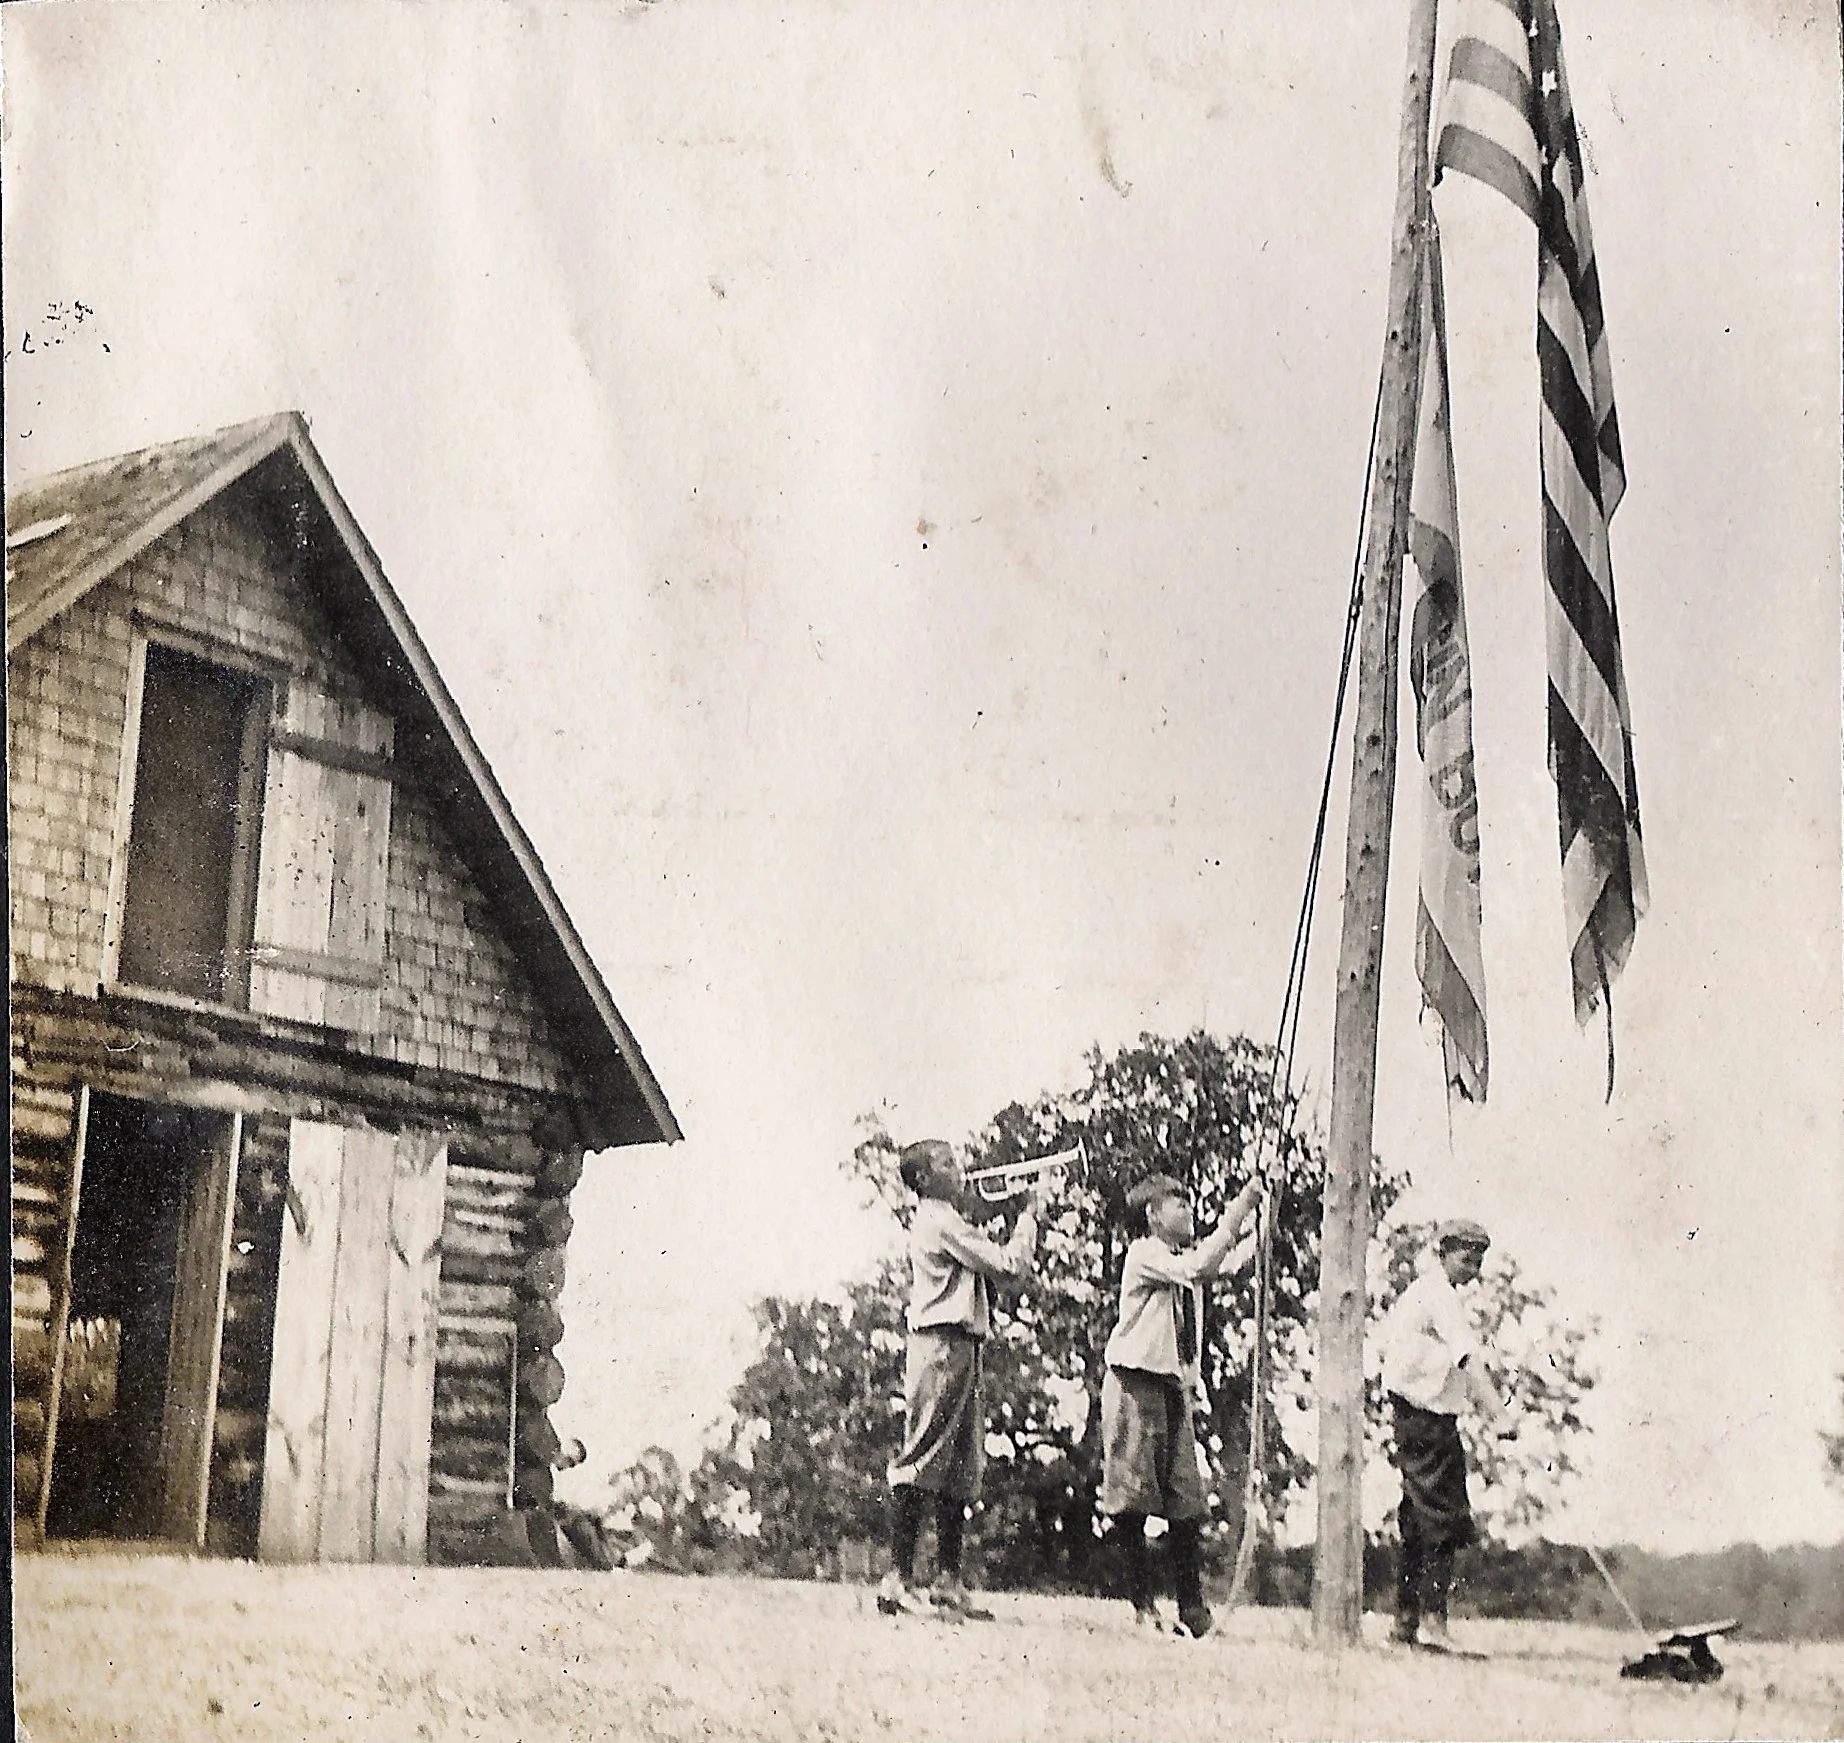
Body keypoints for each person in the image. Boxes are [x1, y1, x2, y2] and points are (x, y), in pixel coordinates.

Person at [877, 1138, 1042, 1621]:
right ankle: (899, 1578)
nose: (961, 1166)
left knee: (960, 1467)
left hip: (961, 1346)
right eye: (946, 1162)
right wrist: (1027, 1215)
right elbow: (1011, 1266)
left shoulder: (946, 1221)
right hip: (941, 1345)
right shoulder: (941, 1220)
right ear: (924, 1179)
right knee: (923, 1456)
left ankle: (947, 1580)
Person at [1099, 1169, 1262, 1639]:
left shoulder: (1183, 1258)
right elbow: (1200, 1267)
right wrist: (1240, 1205)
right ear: (1153, 1216)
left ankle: (1193, 1610)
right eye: (1177, 1203)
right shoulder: (1146, 1253)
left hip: (1171, 1389)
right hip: (1134, 1382)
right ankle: (1142, 1607)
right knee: (1131, 1500)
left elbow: (1217, 1262)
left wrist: (1257, 1215)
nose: (1187, 1210)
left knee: (1186, 1502)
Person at [1380, 1217, 1516, 1648]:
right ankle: (1433, 1627)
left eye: (1478, 1259)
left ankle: (1405, 1624)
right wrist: (1499, 1414)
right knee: (1442, 1517)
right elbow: (1466, 1358)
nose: (1471, 1266)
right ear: (1443, 1254)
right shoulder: (1437, 1295)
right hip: (1422, 1417)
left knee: (1420, 1521)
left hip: (1424, 1415)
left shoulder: (1431, 1293)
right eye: (1465, 1257)